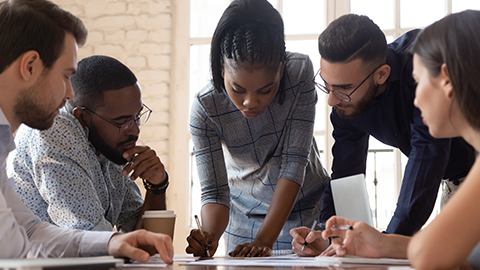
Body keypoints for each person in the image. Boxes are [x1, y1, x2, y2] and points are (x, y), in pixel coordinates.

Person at [292, 10, 480, 270]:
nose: (332, 100)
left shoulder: (419, 58)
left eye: (418, 82)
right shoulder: (345, 102)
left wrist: (386, 242)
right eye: (326, 85)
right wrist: (330, 235)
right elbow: (346, 174)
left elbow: (427, 156)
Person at [0, 0, 172, 262]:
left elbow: (29, 231)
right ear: (30, 66)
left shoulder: (3, 144)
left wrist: (113, 241)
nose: (70, 93)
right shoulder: (57, 128)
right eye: (66, 75)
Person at [186, 0, 329, 257]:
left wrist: (264, 239)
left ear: (281, 70)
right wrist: (209, 236)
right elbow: (214, 192)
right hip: (244, 216)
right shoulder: (205, 107)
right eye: (237, 89)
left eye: (266, 90)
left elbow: (294, 163)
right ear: (221, 68)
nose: (250, 102)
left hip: (309, 208)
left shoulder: (298, 74)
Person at [7, 55, 168, 232]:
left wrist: (157, 185)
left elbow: (147, 241)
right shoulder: (53, 131)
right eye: (122, 121)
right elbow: (93, 240)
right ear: (81, 117)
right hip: (22, 257)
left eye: (137, 116)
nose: (135, 131)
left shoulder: (111, 145)